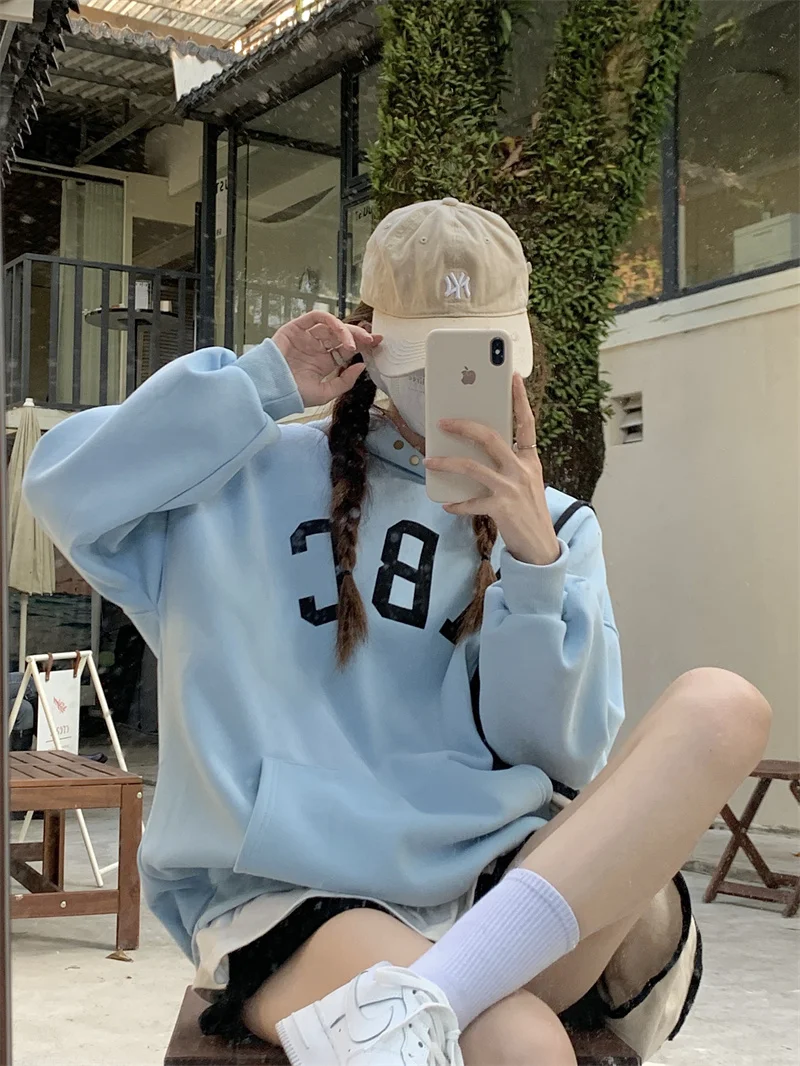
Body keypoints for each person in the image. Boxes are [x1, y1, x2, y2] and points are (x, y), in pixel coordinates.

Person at [24, 199, 770, 1066]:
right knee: (522, 1044)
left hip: (503, 884)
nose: (449, 387)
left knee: (722, 705)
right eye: (426, 360)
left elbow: (561, 757)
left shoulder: (556, 526)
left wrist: (535, 562)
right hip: (299, 890)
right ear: (370, 344)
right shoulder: (233, 478)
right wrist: (264, 381)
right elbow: (63, 489)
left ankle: (424, 1002)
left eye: (479, 359)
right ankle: (430, 1004)